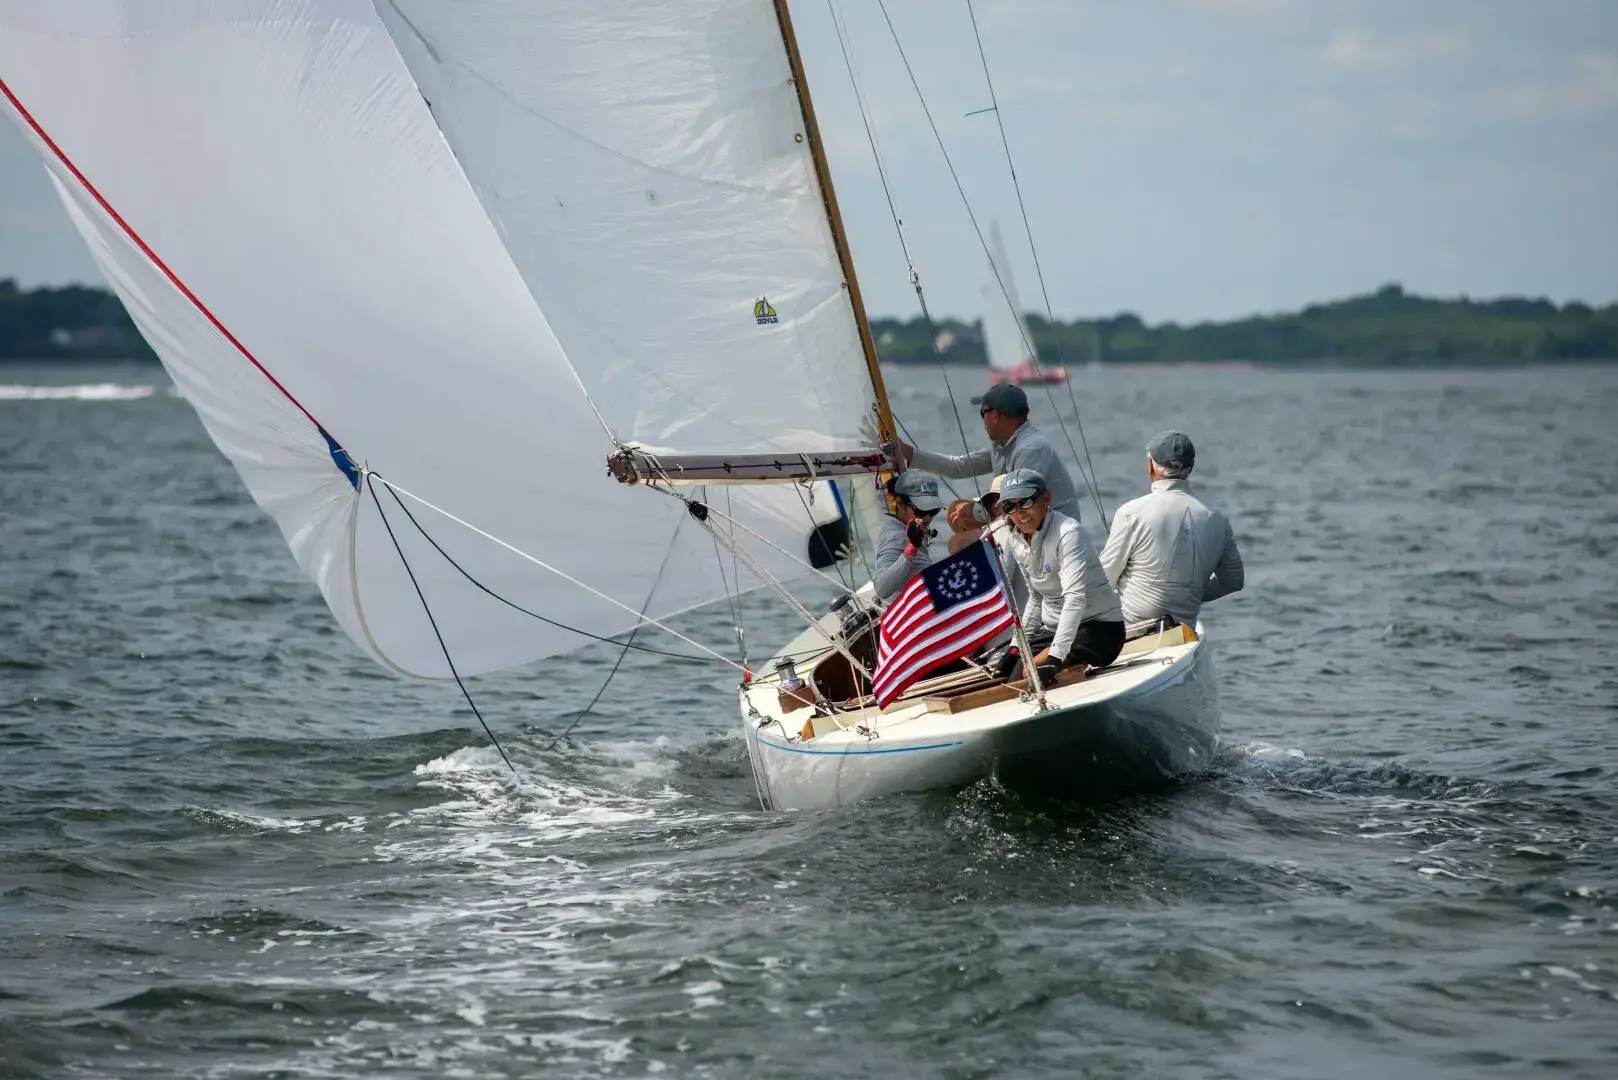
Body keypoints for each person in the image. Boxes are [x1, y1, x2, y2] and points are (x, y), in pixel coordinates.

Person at [1099, 430, 1244, 633]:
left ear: (1151, 467)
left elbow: (1102, 579)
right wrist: (1190, 593)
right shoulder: (1217, 518)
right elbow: (1234, 582)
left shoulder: (1131, 512)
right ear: (1191, 468)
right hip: (1181, 632)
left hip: (1130, 631)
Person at [991, 468, 1124, 683]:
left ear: (1046, 498)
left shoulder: (1068, 533)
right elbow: (1036, 597)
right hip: (1054, 631)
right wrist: (1016, 648)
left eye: (1026, 502)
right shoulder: (1016, 540)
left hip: (1099, 627)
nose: (1020, 514)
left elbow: (1075, 599)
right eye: (1009, 507)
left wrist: (1055, 657)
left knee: (1032, 673)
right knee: (1012, 680)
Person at [888, 384, 1083, 521]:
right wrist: (908, 453)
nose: (983, 421)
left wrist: (974, 511)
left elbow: (1021, 501)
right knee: (957, 512)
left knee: (962, 530)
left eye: (983, 413)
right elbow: (958, 467)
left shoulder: (1031, 448)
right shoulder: (1002, 445)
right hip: (1022, 518)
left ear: (995, 415)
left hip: (1050, 529)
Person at [871, 469, 944, 602]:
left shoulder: (910, 527)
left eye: (933, 510)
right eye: (921, 510)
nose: (928, 518)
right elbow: (881, 589)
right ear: (900, 504)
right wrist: (911, 549)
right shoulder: (896, 537)